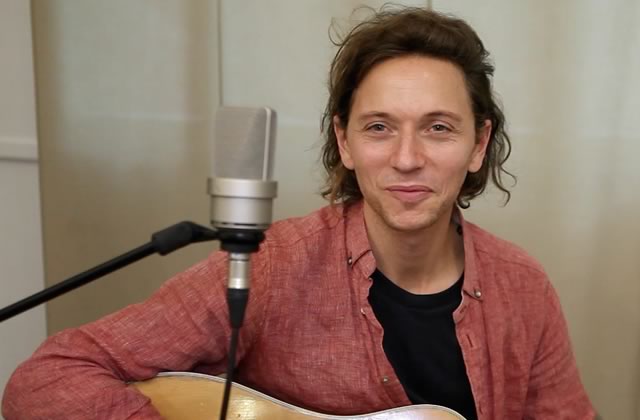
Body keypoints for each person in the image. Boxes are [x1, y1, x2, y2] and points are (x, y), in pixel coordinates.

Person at [2, 6, 595, 420]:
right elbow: (47, 379)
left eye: (438, 128)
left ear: (478, 144)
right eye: (379, 127)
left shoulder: (524, 287)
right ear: (344, 142)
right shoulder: (271, 267)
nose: (406, 158)